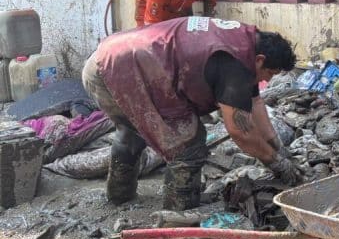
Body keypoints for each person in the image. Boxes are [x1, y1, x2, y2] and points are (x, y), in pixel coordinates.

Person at [82, 16, 304, 210]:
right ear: (260, 60)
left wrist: (279, 149)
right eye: (270, 73)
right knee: (187, 144)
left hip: (109, 56)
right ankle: (179, 214)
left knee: (133, 132)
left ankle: (119, 196)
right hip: (114, 72)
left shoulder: (246, 42)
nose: (268, 80)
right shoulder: (234, 63)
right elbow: (240, 132)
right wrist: (276, 163)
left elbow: (255, 104)